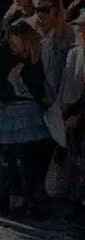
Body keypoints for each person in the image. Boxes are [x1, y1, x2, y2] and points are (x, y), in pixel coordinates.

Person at [0, 19, 50, 216]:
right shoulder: (5, 57)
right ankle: (3, 200)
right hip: (10, 109)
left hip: (28, 111)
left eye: (15, 42)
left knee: (24, 158)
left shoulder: (34, 60)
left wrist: (20, 78)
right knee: (6, 158)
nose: (11, 45)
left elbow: (37, 89)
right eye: (10, 42)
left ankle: (29, 201)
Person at [59, 11, 85, 208]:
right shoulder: (74, 53)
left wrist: (78, 114)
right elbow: (68, 83)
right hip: (73, 114)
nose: (80, 31)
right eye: (79, 27)